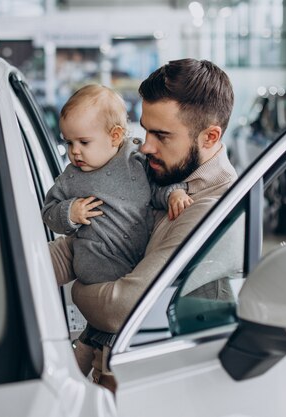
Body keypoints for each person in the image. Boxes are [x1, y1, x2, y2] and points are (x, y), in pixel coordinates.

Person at [0, 58, 237, 392]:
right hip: (111, 381)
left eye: (161, 135)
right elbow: (82, 246)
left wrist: (79, 288)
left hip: (162, 392)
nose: (146, 145)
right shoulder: (157, 176)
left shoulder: (216, 210)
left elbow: (120, 310)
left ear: (210, 136)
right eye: (144, 129)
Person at [41, 83, 192, 377]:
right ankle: (73, 385)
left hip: (129, 275)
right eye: (68, 142)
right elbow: (49, 212)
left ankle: (96, 381)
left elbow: (159, 189)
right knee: (91, 355)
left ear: (115, 136)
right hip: (93, 273)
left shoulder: (136, 162)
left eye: (83, 142)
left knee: (107, 356)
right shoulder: (70, 179)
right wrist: (69, 213)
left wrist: (175, 194)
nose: (74, 152)